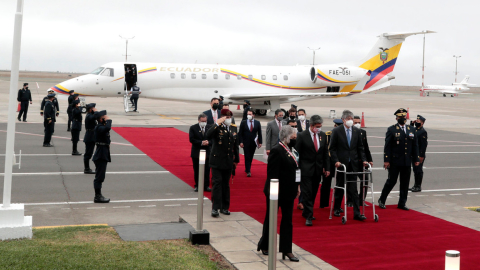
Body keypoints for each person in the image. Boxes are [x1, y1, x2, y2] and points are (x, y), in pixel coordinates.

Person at [257, 125, 300, 262]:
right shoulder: (277, 150)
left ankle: (287, 249)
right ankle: (265, 244)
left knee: (288, 221)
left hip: (290, 191)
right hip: (276, 192)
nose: (295, 140)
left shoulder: (293, 151)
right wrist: (274, 192)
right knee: (271, 218)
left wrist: (298, 185)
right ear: (286, 138)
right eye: (293, 138)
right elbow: (272, 174)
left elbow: (297, 169)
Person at [378, 108, 420, 211]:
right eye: (400, 117)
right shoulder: (392, 129)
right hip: (395, 161)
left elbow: (415, 145)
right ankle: (382, 200)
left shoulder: (411, 129)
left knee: (405, 183)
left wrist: (416, 158)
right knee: (391, 181)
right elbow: (387, 146)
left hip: (407, 161)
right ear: (396, 118)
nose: (403, 118)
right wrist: (386, 160)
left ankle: (402, 203)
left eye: (404, 117)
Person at [330, 110, 368, 221]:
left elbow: (360, 148)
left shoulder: (357, 131)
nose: (351, 121)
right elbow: (332, 149)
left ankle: (357, 213)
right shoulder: (337, 131)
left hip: (353, 164)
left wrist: (364, 160)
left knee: (353, 189)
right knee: (340, 187)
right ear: (343, 120)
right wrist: (336, 161)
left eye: (351, 118)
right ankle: (337, 208)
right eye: (348, 119)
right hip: (342, 164)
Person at [295, 115, 330, 226]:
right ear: (311, 125)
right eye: (317, 126)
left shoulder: (323, 135)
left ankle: (306, 212)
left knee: (314, 192)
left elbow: (325, 153)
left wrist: (327, 167)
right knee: (308, 192)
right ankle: (309, 216)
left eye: (320, 126)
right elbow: (296, 153)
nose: (319, 128)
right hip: (305, 169)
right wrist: (297, 169)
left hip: (318, 169)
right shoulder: (302, 136)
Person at [206, 108, 239, 217]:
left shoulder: (233, 128)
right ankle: (215, 208)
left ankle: (225, 207)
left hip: (228, 161)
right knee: (217, 183)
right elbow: (207, 135)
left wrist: (236, 160)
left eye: (230, 117)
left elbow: (235, 145)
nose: (229, 119)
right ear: (222, 117)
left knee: (226, 184)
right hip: (217, 160)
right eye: (226, 117)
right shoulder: (217, 127)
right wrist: (216, 123)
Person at [318, 118, 344, 209]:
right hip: (329, 162)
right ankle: (323, 203)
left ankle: (337, 205)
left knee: (340, 184)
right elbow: (325, 151)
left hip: (340, 162)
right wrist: (325, 165)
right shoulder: (328, 135)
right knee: (326, 183)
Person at [352, 115, 373, 206]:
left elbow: (365, 147)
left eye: (358, 122)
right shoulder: (348, 133)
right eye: (355, 122)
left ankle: (362, 200)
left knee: (365, 180)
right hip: (352, 161)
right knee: (352, 182)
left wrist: (369, 159)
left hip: (362, 161)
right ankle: (351, 200)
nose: (357, 124)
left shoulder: (363, 132)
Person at [92, 110, 112, 203]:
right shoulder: (99, 127)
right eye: (104, 117)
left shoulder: (101, 126)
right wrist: (109, 120)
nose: (106, 118)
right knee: (99, 177)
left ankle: (98, 195)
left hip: (103, 152)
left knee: (101, 176)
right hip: (101, 154)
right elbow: (107, 128)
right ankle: (97, 196)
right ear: (101, 119)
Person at [189, 113, 212, 192]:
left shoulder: (210, 127)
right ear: (199, 120)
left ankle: (206, 185)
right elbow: (191, 139)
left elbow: (213, 139)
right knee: (197, 170)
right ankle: (197, 185)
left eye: (205, 121)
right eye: (202, 121)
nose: (204, 123)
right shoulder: (193, 128)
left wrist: (208, 142)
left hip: (207, 152)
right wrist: (201, 142)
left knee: (207, 170)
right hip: (197, 152)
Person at [239, 109, 262, 177]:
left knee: (251, 156)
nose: (249, 115)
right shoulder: (243, 122)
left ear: (253, 115)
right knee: (247, 156)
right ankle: (248, 171)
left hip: (253, 142)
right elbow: (240, 133)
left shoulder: (257, 123)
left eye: (250, 114)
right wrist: (240, 142)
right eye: (248, 114)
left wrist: (260, 142)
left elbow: (259, 133)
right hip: (246, 142)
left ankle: (247, 167)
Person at [409, 115, 428, 192]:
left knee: (418, 170)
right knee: (415, 170)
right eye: (416, 121)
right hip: (413, 154)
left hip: (418, 154)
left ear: (422, 123)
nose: (416, 122)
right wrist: (411, 124)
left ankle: (418, 186)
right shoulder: (415, 129)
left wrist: (421, 155)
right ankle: (415, 185)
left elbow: (424, 145)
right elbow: (409, 132)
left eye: (418, 121)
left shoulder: (423, 132)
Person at [83, 103, 97, 174]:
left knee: (90, 153)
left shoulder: (90, 115)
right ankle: (86, 168)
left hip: (92, 136)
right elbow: (94, 117)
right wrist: (96, 112)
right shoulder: (89, 116)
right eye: (93, 108)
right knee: (88, 153)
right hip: (90, 137)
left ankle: (87, 168)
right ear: (90, 109)